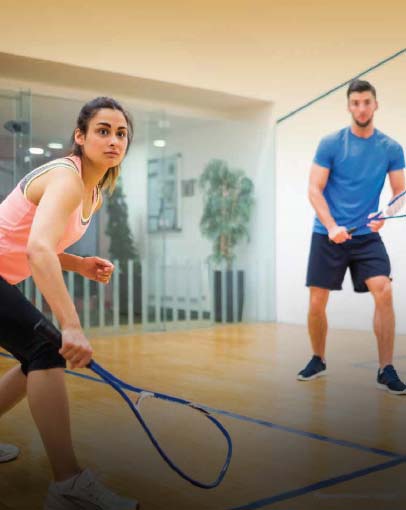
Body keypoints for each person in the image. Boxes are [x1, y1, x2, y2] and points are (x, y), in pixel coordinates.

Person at [0, 97, 139, 509]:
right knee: (46, 348)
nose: (113, 140)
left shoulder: (91, 193)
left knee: (35, 358)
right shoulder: (67, 178)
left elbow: (30, 239)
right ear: (80, 137)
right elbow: (38, 250)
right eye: (102, 130)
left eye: (121, 133)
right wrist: (71, 325)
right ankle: (68, 485)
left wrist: (76, 263)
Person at [298, 79, 406, 395]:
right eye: (355, 103)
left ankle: (386, 368)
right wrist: (331, 226)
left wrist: (384, 214)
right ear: (349, 106)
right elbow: (314, 189)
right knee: (317, 302)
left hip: (365, 237)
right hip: (327, 234)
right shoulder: (331, 143)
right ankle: (318, 358)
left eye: (366, 102)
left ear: (375, 105)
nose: (361, 108)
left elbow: (400, 191)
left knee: (383, 290)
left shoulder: (390, 148)